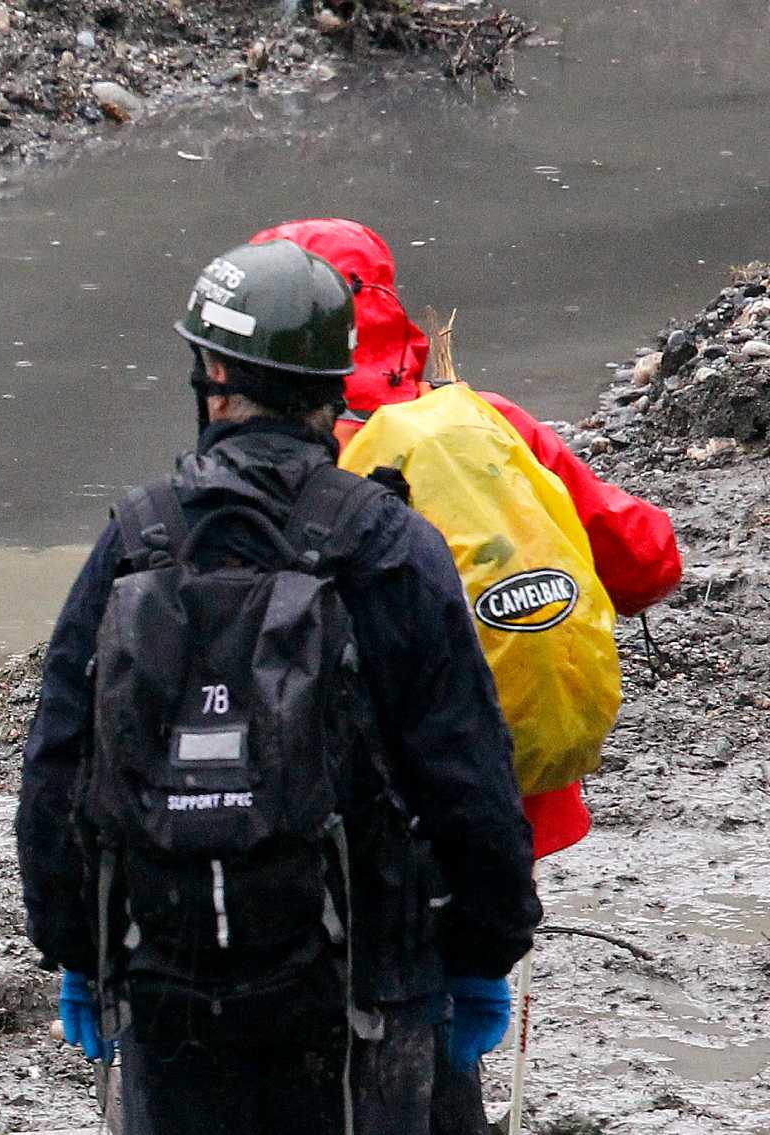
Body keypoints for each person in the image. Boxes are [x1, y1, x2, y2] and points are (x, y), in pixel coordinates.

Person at [16, 238, 543, 1134]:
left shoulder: (136, 540)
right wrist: (485, 951)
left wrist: (79, 950)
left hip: (168, 993)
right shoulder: (389, 543)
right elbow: (469, 776)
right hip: (364, 999)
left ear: (214, 371)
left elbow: (57, 766)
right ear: (334, 383)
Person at [247, 218, 684, 1133]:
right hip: (496, 810)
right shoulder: (490, 426)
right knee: (447, 1041)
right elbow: (648, 561)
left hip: (322, 824)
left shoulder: (277, 461)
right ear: (394, 309)